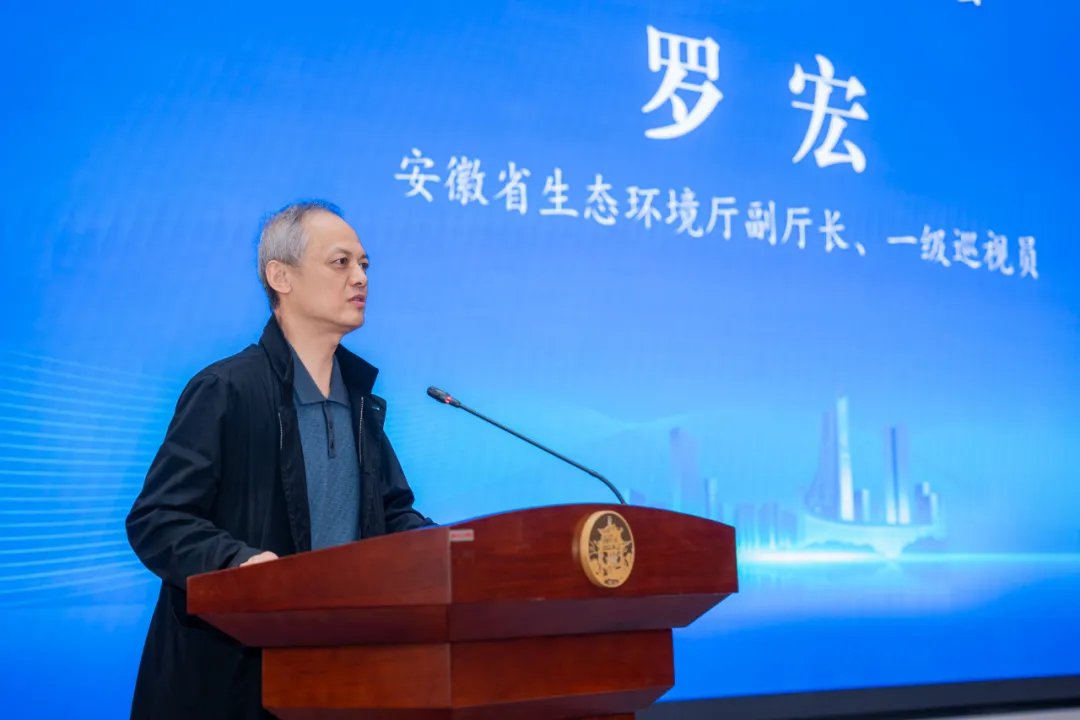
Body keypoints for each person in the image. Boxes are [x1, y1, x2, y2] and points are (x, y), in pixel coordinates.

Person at [125, 200, 432, 720]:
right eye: (341, 263)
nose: (360, 277)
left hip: (340, 677)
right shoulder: (227, 389)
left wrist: (445, 549)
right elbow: (157, 519)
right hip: (232, 682)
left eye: (364, 264)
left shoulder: (358, 402)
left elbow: (389, 514)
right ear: (280, 276)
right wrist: (238, 563)